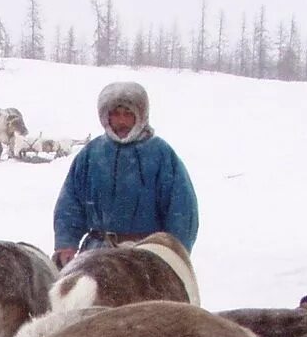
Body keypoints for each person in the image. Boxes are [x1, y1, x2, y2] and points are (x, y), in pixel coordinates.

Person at [53, 81, 198, 266]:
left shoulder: (161, 155)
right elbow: (71, 203)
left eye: (128, 114)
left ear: (141, 115)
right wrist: (66, 242)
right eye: (115, 114)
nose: (121, 121)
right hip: (96, 255)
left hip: (146, 257)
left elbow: (181, 211)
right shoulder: (92, 153)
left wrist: (174, 256)